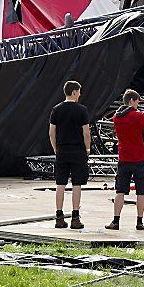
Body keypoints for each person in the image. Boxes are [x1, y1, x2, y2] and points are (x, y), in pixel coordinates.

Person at [105, 89, 144, 231]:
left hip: (124, 158)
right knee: (141, 192)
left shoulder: (117, 117)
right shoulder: (136, 116)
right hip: (139, 158)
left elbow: (132, 119)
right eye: (137, 102)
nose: (137, 104)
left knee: (120, 191)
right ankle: (139, 222)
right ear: (131, 101)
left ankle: (115, 221)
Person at [49, 80, 91, 229]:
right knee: (77, 184)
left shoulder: (56, 109)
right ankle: (75, 217)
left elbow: (51, 132)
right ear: (74, 92)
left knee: (60, 184)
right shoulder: (82, 110)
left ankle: (59, 217)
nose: (80, 94)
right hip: (78, 150)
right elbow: (86, 132)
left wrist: (56, 148)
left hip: (62, 150)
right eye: (79, 91)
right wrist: (87, 149)